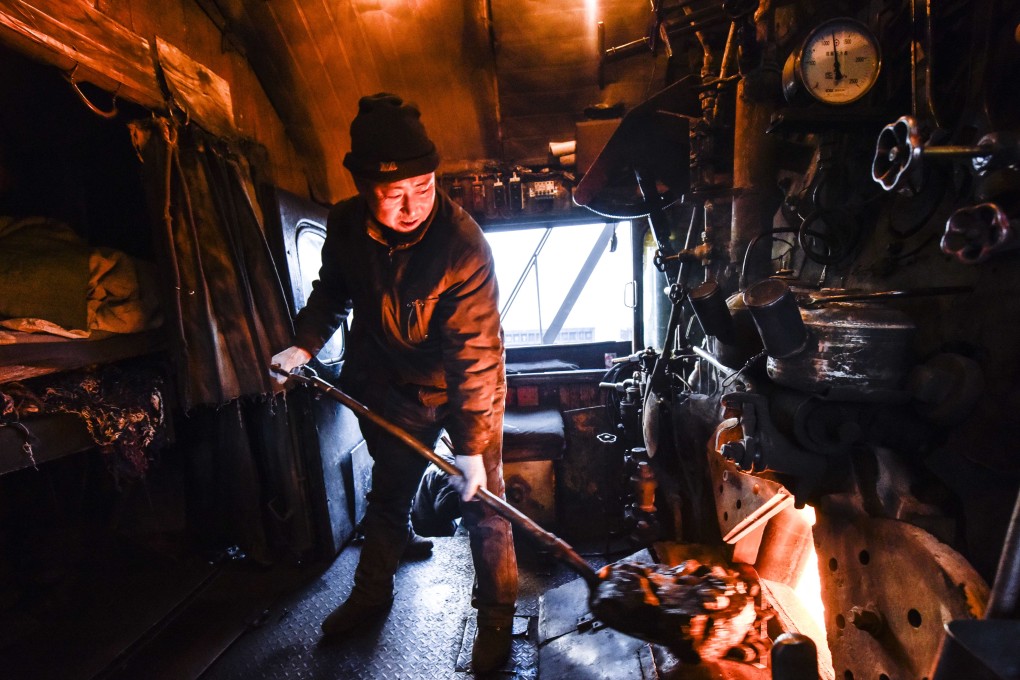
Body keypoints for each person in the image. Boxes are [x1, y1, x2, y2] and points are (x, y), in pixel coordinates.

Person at [270, 92, 518, 673]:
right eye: (393, 193)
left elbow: (474, 358)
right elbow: (332, 291)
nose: (412, 206)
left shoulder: (461, 245)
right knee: (389, 495)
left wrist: (473, 450)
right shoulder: (344, 225)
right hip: (391, 386)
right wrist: (304, 344)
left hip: (464, 391)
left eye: (424, 187)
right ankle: (371, 593)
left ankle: (497, 617)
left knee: (485, 505)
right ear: (363, 188)